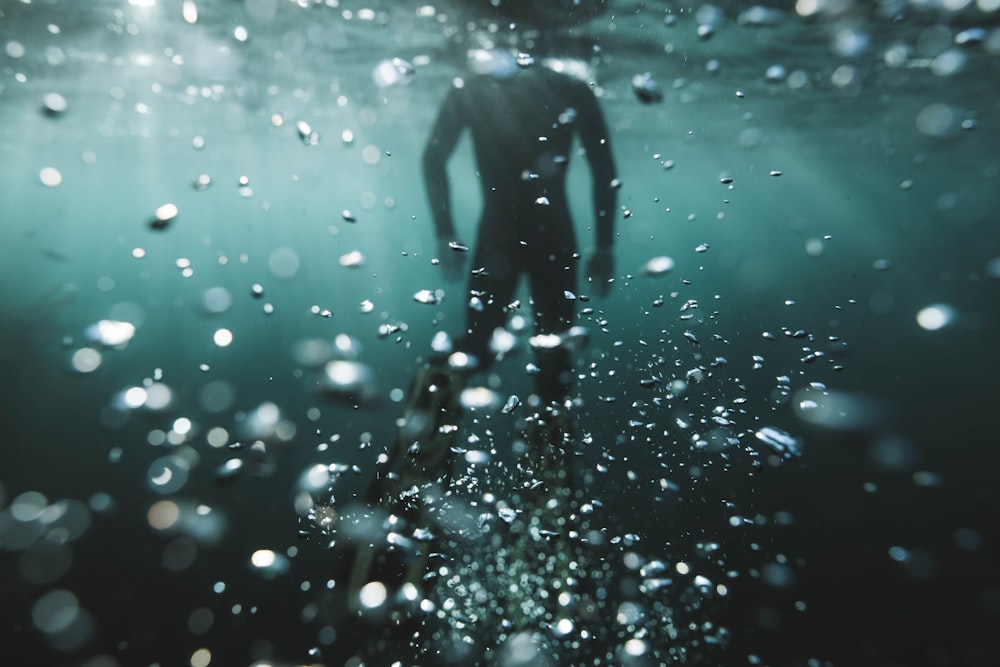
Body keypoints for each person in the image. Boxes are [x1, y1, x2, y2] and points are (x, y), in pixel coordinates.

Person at [424, 48, 618, 405]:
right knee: (554, 358)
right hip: (554, 237)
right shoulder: (572, 87)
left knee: (474, 349)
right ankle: (550, 447)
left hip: (499, 235)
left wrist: (444, 233)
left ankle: (424, 435)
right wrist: (604, 245)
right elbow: (604, 170)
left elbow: (432, 159)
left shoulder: (472, 89)